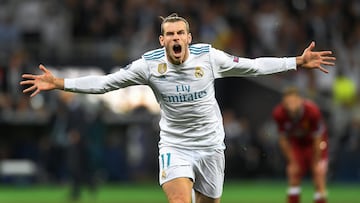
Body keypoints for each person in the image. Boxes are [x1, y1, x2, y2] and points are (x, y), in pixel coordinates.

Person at [20, 13, 335, 203]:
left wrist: (296, 61)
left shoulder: (209, 57)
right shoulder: (148, 66)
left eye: (180, 33)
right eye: (169, 34)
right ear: (162, 40)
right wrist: (60, 83)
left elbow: (252, 67)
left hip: (211, 145)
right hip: (175, 145)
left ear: (188, 37)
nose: (175, 37)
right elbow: (107, 83)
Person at [272, 87, 329, 203]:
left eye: (293, 102)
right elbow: (283, 140)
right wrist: (292, 161)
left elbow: (317, 138)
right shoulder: (279, 113)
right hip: (297, 144)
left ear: (300, 101)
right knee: (293, 173)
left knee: (318, 175)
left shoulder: (312, 111)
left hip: (316, 144)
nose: (291, 106)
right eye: (288, 103)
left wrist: (316, 161)